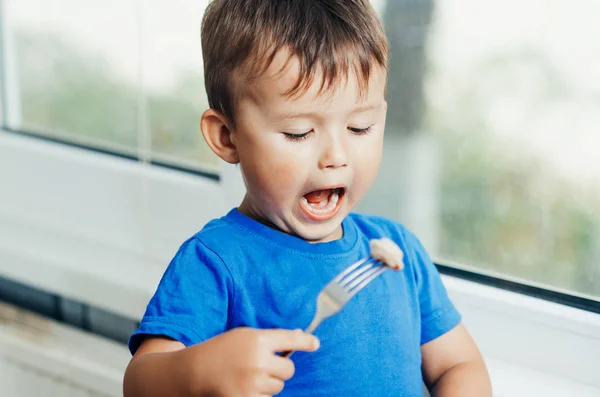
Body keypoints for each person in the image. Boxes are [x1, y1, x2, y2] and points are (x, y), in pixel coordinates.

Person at [123, 0, 492, 396]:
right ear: (227, 137)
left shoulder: (396, 251)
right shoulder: (217, 262)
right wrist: (195, 371)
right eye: (299, 133)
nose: (336, 156)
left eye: (360, 126)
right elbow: (140, 382)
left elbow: (458, 363)